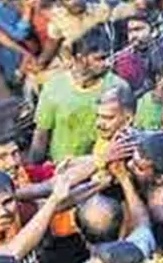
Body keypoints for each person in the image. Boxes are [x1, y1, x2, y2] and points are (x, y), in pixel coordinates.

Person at [33, 26, 123, 162]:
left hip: (102, 167)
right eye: (100, 59)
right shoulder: (55, 87)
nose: (108, 63)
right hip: (60, 168)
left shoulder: (118, 87)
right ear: (80, 59)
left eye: (108, 57)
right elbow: (41, 134)